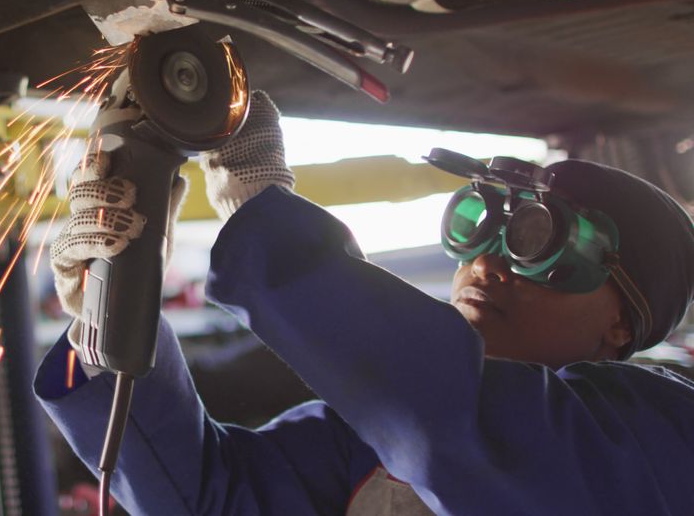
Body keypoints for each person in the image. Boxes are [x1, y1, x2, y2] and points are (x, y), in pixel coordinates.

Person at [34, 91, 694, 515]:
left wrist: (263, 214)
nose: (486, 265)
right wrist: (110, 309)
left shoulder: (665, 426)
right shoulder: (365, 440)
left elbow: (465, 426)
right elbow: (207, 499)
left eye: (536, 243)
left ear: (621, 321)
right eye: (479, 231)